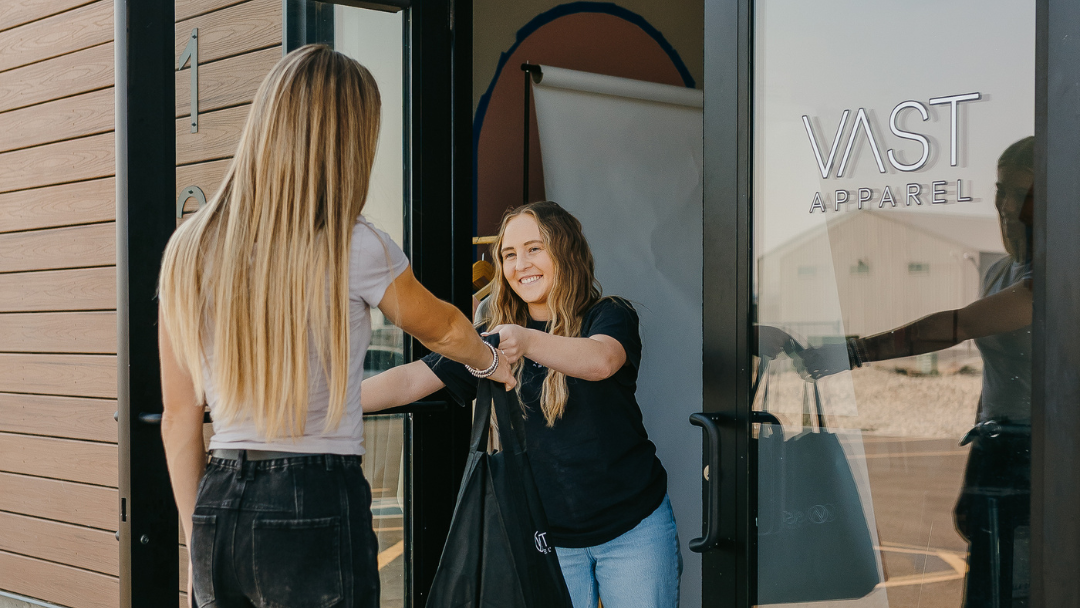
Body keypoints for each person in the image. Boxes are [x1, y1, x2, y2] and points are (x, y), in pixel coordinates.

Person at [157, 45, 514, 608]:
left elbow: (179, 418)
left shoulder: (191, 247)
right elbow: (444, 329)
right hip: (314, 495)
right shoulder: (355, 244)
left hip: (218, 498)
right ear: (346, 143)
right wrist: (491, 361)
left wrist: (198, 541)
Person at [362, 200, 681, 608]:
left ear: (565, 251)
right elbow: (410, 379)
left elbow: (601, 361)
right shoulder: (491, 339)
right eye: (509, 254)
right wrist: (323, 407)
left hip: (634, 528)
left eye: (535, 248)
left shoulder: (608, 315)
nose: (520, 263)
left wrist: (526, 340)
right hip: (546, 538)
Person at [797, 136, 1035, 607]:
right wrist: (976, 467)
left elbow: (956, 325)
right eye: (1000, 189)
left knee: (1024, 585)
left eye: (1021, 193)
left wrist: (852, 352)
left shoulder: (1057, 276)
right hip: (998, 448)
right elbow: (994, 383)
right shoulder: (1000, 273)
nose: (1005, 204)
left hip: (1044, 456)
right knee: (989, 582)